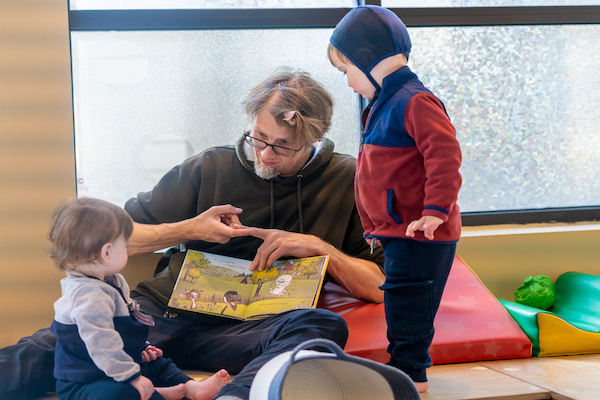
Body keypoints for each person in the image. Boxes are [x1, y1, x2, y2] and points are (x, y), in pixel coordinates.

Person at [0, 67, 385, 400]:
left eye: (284, 147)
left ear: (314, 138)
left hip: (250, 331)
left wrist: (318, 247)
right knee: (57, 341)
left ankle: (236, 394)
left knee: (323, 326)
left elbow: (378, 284)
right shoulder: (209, 167)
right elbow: (106, 239)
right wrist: (189, 228)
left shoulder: (346, 179)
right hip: (164, 315)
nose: (266, 155)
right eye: (258, 138)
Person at [328, 5, 462, 392]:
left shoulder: (414, 100)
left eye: (346, 70)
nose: (349, 82)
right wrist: (375, 225)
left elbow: (444, 155)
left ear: (366, 59)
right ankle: (403, 364)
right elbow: (383, 173)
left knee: (409, 300)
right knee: (402, 298)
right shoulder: (384, 103)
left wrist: (435, 211)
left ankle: (410, 372)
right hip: (399, 228)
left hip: (421, 230)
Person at [48, 198, 230, 400]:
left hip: (116, 365)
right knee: (120, 394)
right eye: (125, 246)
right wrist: (133, 378)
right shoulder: (89, 297)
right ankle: (155, 393)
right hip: (87, 382)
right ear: (107, 253)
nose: (127, 250)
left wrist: (142, 346)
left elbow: (125, 325)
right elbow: (103, 346)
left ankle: (190, 387)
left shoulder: (112, 281)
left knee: (157, 362)